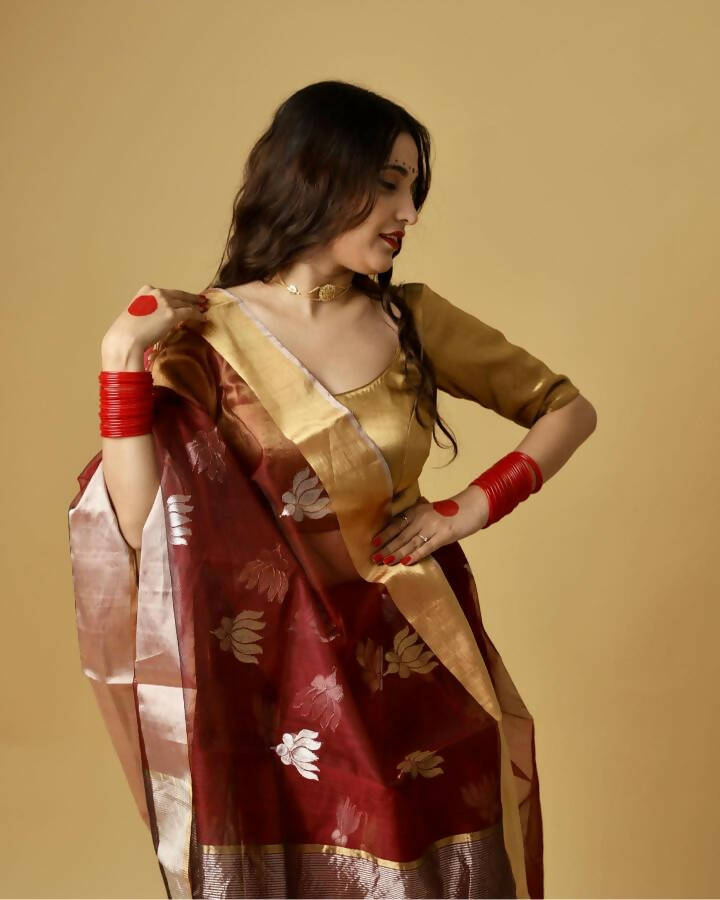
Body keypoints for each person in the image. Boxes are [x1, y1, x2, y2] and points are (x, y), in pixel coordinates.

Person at [67, 80, 597, 900]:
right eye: (388, 183)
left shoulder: (410, 320)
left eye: (413, 187)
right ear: (317, 175)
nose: (409, 211)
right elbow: (138, 526)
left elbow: (567, 409)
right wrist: (119, 361)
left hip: (419, 664)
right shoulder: (207, 338)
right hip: (278, 690)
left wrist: (467, 508)